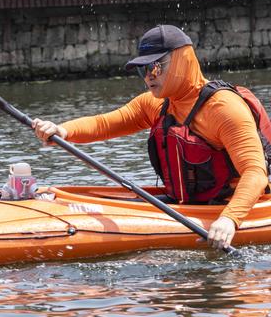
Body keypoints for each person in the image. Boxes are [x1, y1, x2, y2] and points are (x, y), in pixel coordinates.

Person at [33, 25, 271, 250]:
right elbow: (105, 123)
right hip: (189, 204)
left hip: (234, 207)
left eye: (155, 67)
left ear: (182, 61)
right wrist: (62, 131)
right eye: (143, 70)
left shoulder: (223, 108)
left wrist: (230, 219)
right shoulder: (155, 104)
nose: (148, 77)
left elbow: (255, 171)